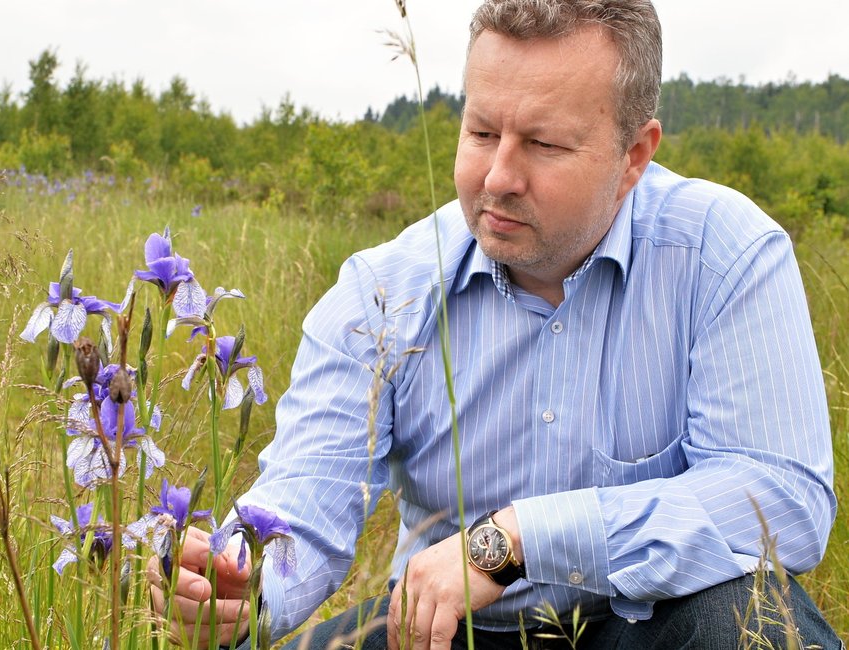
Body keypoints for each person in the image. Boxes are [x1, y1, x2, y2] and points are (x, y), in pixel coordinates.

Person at [149, 1, 842, 648]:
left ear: (634, 155)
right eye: (481, 132)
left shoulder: (723, 254)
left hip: (653, 623)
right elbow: (307, 501)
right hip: (450, 632)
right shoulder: (382, 292)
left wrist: (518, 542)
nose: (498, 176)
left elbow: (781, 500)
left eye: (543, 144)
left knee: (752, 622)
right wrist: (240, 587)